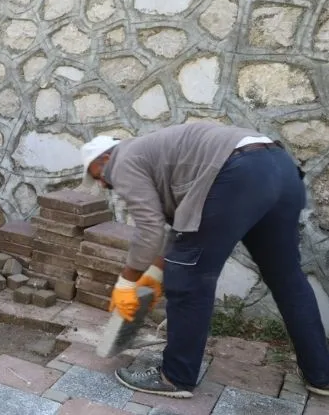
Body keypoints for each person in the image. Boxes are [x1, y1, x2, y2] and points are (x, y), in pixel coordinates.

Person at [79, 122, 329, 398]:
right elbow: (183, 229)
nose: (103, 183)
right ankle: (321, 375)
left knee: (189, 279)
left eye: (98, 175)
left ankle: (175, 376)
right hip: (280, 168)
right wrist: (156, 272)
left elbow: (149, 228)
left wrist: (126, 283)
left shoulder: (123, 161)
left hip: (239, 172)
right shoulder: (159, 155)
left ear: (105, 158)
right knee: (287, 278)